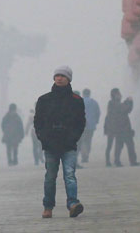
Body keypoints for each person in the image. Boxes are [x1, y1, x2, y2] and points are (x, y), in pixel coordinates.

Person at [34, 66, 85, 219]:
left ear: (69, 79)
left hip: (68, 144)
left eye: (63, 75)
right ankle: (48, 206)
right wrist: (43, 138)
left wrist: (73, 137)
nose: (59, 78)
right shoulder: (44, 100)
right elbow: (38, 122)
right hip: (50, 145)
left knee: (69, 174)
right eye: (57, 75)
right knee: (50, 176)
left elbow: (80, 123)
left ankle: (72, 204)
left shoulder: (76, 100)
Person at [113, 95, 139, 167]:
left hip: (119, 129)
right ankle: (132, 161)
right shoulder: (118, 106)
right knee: (130, 146)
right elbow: (128, 109)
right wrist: (129, 101)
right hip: (124, 130)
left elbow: (125, 108)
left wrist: (127, 101)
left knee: (119, 147)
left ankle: (117, 161)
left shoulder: (115, 105)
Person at [76, 88, 100, 165]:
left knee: (82, 141)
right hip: (91, 125)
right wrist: (96, 121)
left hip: (82, 125)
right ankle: (86, 156)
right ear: (89, 93)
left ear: (83, 94)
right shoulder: (94, 102)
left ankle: (84, 155)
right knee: (89, 141)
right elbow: (98, 112)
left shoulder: (80, 101)